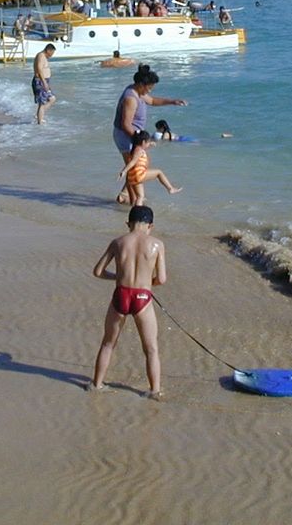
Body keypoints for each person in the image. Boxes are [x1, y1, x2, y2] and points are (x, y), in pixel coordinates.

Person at [90, 204, 167, 398]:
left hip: (121, 294)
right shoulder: (156, 244)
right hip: (143, 297)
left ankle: (96, 384)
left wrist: (118, 278)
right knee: (150, 349)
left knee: (108, 343)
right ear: (151, 226)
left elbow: (97, 272)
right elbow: (162, 279)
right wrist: (147, 284)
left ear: (128, 223)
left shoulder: (118, 242)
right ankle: (154, 390)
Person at [113, 65, 187, 202]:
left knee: (137, 167)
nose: (150, 90)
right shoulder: (131, 98)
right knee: (135, 170)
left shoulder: (138, 92)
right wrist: (140, 143)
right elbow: (125, 125)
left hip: (134, 136)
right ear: (141, 84)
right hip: (127, 137)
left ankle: (125, 196)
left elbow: (152, 101)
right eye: (149, 87)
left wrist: (172, 102)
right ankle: (132, 200)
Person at [118, 132, 182, 206]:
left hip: (132, 176)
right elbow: (132, 162)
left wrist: (150, 144)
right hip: (139, 174)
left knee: (140, 197)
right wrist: (124, 171)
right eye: (148, 142)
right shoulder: (139, 151)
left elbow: (142, 148)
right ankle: (170, 189)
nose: (149, 144)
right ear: (143, 142)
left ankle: (137, 210)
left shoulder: (136, 149)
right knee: (159, 172)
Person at [32, 44, 56, 125]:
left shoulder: (43, 56)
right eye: (52, 53)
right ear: (48, 50)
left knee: (52, 99)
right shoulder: (41, 56)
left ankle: (39, 115)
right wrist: (44, 82)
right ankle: (40, 122)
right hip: (40, 81)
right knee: (42, 103)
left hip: (44, 81)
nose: (52, 55)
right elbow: (39, 69)